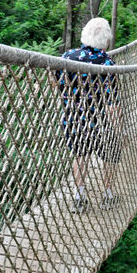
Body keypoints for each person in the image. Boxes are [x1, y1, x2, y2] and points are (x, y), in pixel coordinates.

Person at [54, 18, 122, 210]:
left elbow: (56, 82)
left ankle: (79, 198)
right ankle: (108, 196)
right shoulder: (108, 64)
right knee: (111, 155)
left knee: (80, 156)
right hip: (99, 121)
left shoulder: (67, 56)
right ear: (106, 41)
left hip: (72, 118)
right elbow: (112, 103)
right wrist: (119, 131)